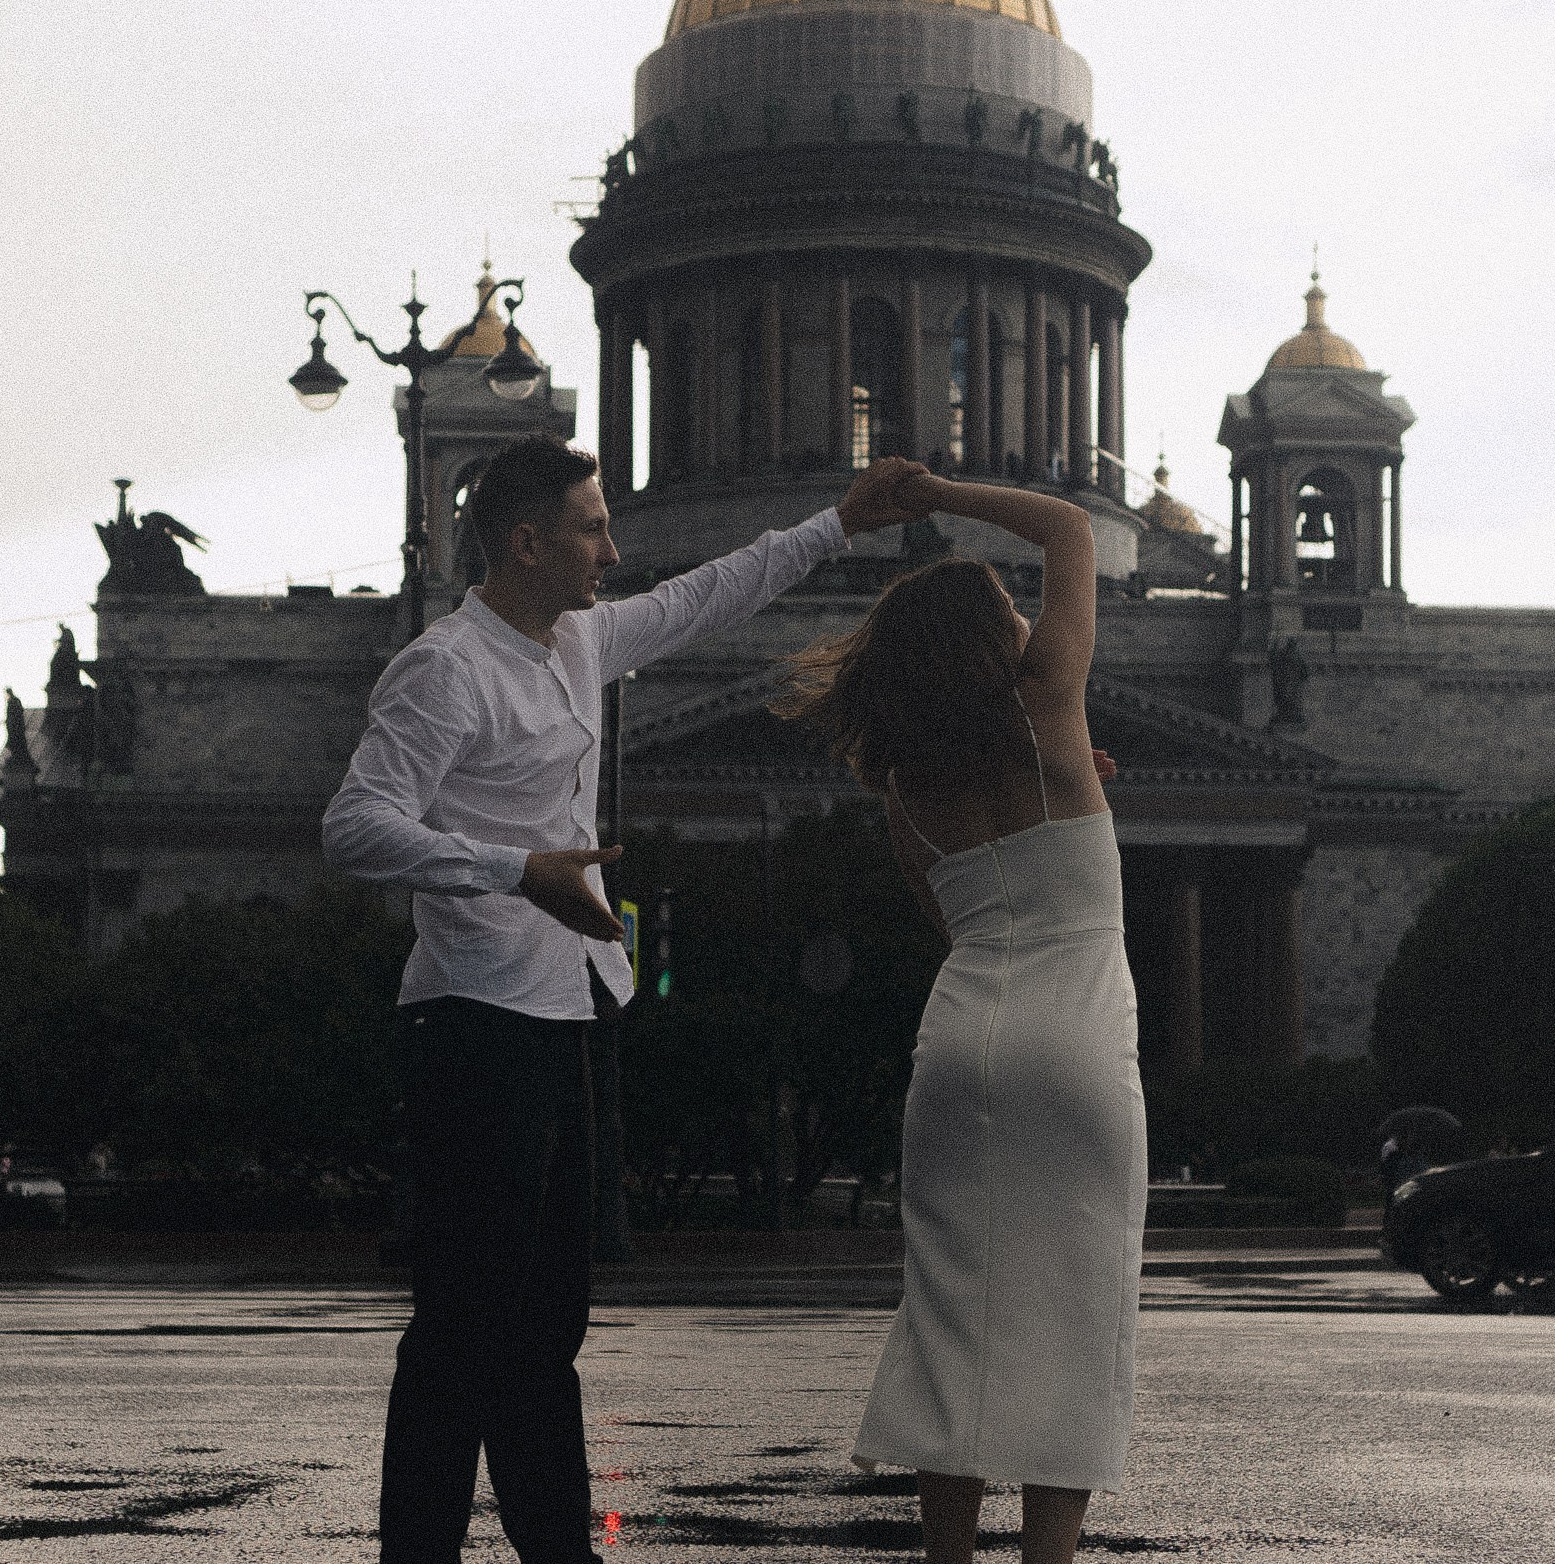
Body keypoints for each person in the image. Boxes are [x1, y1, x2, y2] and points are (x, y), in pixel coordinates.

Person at [323, 433, 927, 1564]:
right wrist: (517, 871)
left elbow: (709, 594)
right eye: (593, 528)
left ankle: (561, 1549)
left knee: (547, 1325)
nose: (612, 549)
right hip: (473, 1020)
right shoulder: (446, 667)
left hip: (566, 1011)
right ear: (527, 543)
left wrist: (840, 522)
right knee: (460, 1326)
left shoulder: (582, 639)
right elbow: (354, 826)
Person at [773, 474, 1147, 1564]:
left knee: (953, 1315)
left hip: (960, 1045)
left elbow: (959, 925)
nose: (1028, 620)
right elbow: (1070, 526)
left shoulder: (905, 788)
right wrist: (933, 488)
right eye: (1011, 610)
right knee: (1078, 1314)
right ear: (993, 638)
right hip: (1075, 1041)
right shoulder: (1050, 708)